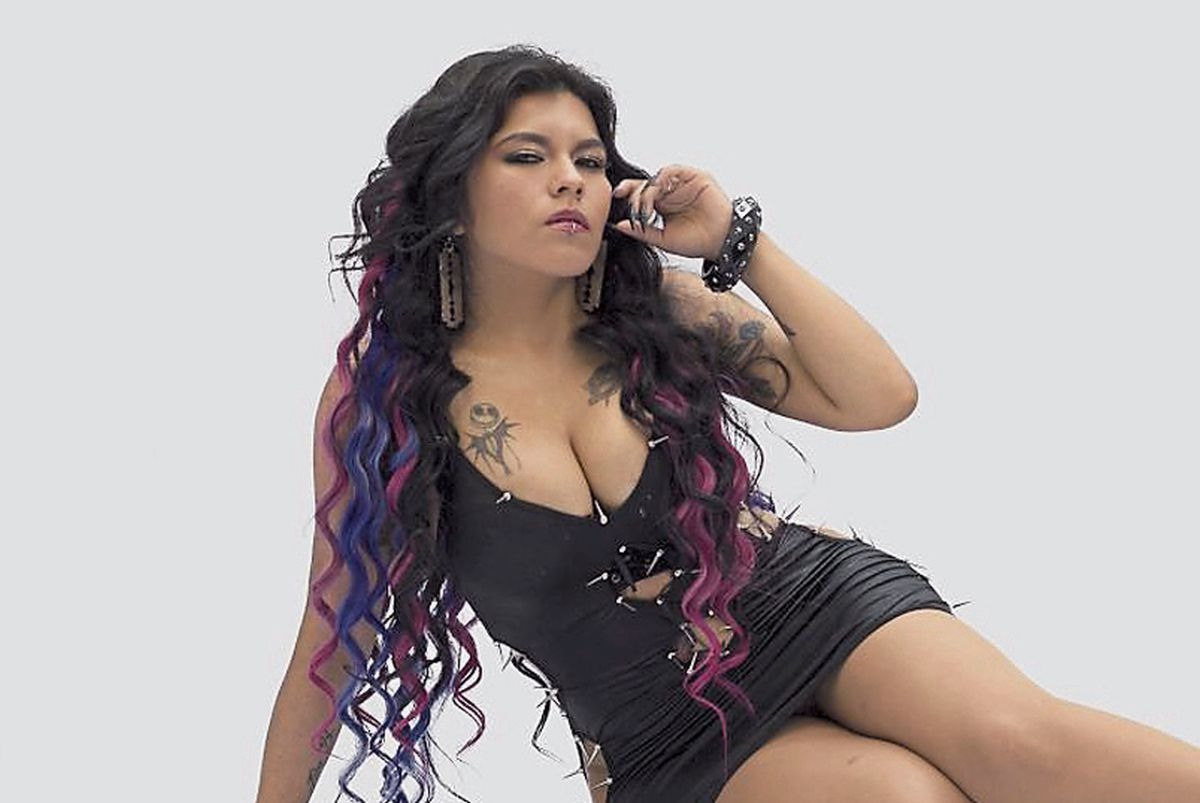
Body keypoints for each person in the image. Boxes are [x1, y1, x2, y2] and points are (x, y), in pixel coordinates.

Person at [255, 44, 1200, 803]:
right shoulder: (388, 396)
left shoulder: (659, 310)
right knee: (901, 795)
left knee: (1018, 742)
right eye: (528, 156)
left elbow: (879, 396)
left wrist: (736, 243)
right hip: (659, 735)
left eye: (591, 160)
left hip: (809, 603)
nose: (570, 180)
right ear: (452, 188)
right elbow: (334, 634)